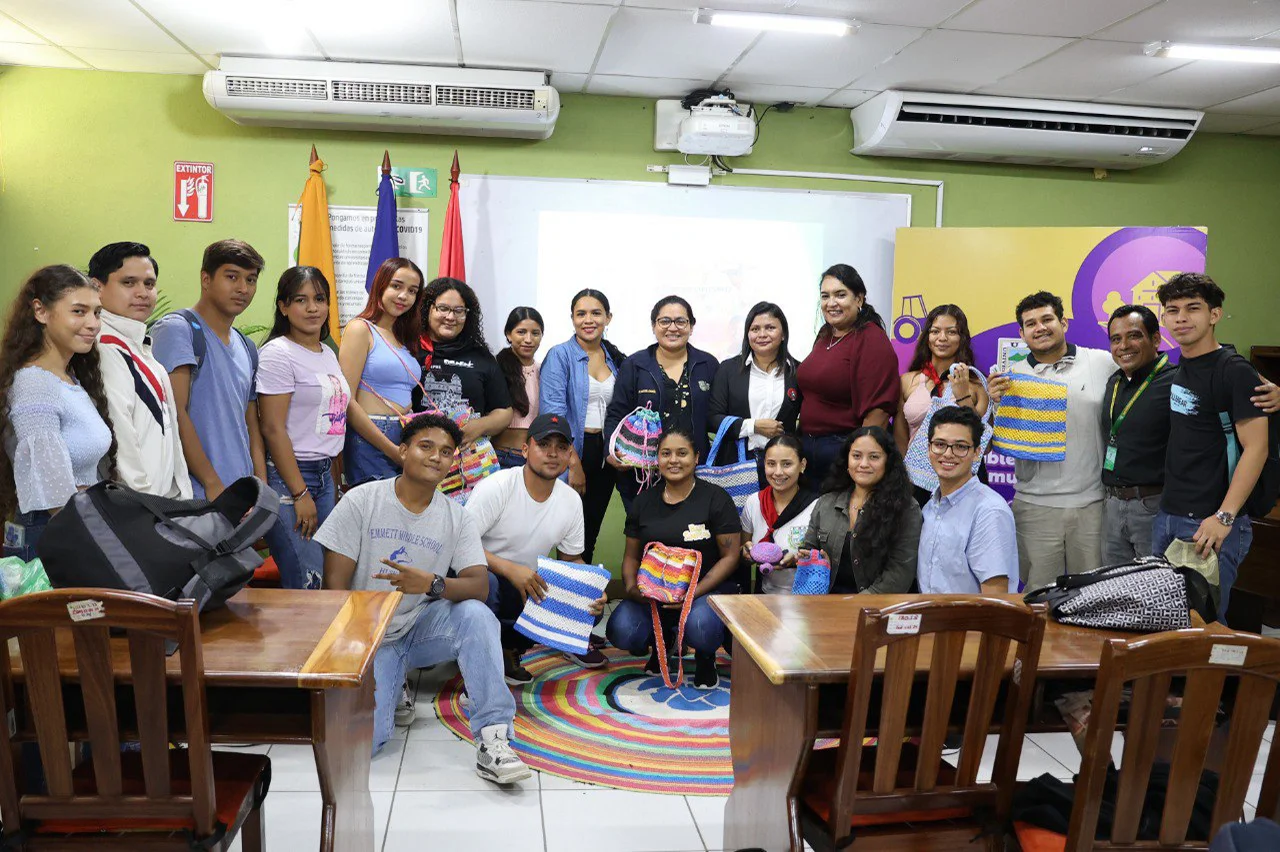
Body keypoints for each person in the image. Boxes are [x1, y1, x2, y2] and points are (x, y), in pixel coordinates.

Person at [314, 413, 531, 783]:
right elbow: (333, 589)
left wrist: (431, 583)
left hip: (418, 626)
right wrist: (354, 664)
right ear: (403, 450)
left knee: (477, 616)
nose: (436, 457)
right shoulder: (361, 501)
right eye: (425, 446)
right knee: (366, 743)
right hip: (366, 636)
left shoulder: (456, 517)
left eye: (446, 452)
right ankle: (392, 682)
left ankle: (495, 739)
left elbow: (478, 585)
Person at [1102, 303, 1280, 564]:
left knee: (1160, 595)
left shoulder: (1178, 380)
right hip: (1113, 506)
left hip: (1155, 505)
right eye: (1116, 339)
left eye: (1134, 335)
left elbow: (1245, 392)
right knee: (1116, 590)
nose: (1124, 345)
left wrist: (1277, 395)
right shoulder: (1115, 381)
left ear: (1156, 339)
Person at [1152, 273, 1272, 621]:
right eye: (1172, 310)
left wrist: (1224, 516)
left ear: (1214, 315)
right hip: (1169, 516)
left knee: (1202, 631)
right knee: (1167, 625)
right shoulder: (1181, 367)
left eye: (1193, 308)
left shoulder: (1234, 371)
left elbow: (1256, 448)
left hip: (1210, 522)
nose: (1182, 318)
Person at [466, 413, 608, 683]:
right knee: (491, 586)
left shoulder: (570, 500)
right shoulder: (498, 487)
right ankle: (476, 658)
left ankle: (510, 649)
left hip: (526, 583)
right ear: (525, 449)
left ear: (570, 455)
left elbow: (571, 559)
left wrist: (591, 587)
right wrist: (510, 569)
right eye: (543, 444)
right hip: (480, 573)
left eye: (561, 447)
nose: (552, 454)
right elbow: (460, 545)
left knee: (586, 601)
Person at [987, 291, 1115, 590]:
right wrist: (994, 407)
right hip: (1034, 507)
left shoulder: (1101, 363)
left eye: (1047, 319)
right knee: (1039, 597)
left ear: (1064, 322)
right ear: (1021, 333)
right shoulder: (1008, 378)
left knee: (1093, 596)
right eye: (1030, 323)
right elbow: (993, 440)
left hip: (1092, 505)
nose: (1040, 328)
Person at [606, 427, 740, 688]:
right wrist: (633, 588)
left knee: (701, 627)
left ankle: (705, 656)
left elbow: (730, 556)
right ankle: (662, 644)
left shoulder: (716, 499)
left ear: (696, 457)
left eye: (682, 453)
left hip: (703, 594)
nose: (673, 460)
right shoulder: (643, 502)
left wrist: (693, 594)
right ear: (657, 459)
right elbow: (632, 557)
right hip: (653, 596)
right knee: (621, 630)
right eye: (666, 453)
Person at [0, 265, 116, 560]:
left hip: (76, 527)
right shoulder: (34, 384)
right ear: (40, 311)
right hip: (54, 534)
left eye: (97, 312)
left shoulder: (69, 380)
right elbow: (54, 494)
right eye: (79, 311)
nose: (93, 324)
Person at [256, 267, 353, 590]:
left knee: (324, 581)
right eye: (301, 300)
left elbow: (332, 421)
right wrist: (299, 492)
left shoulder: (326, 352)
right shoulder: (277, 354)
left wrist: (335, 483)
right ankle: (300, 644)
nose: (312, 308)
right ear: (283, 306)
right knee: (305, 582)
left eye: (319, 299)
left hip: (325, 477)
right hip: (292, 477)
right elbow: (272, 429)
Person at [152, 239, 267, 500]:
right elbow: (174, 412)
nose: (243, 288)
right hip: (197, 495)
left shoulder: (246, 346)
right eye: (231, 277)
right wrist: (212, 482)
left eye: (251, 280)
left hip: (239, 493)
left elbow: (250, 424)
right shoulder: (178, 330)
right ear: (206, 279)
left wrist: (259, 485)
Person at [88, 242, 191, 499]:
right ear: (96, 287)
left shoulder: (139, 347)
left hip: (161, 507)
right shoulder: (104, 347)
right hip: (139, 511)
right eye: (129, 283)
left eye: (149, 284)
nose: (143, 293)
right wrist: (143, 508)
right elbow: (120, 440)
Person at [604, 296, 719, 512]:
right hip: (644, 474)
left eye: (680, 321)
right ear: (654, 326)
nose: (672, 328)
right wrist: (609, 451)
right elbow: (616, 413)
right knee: (646, 536)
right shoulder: (635, 365)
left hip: (696, 471)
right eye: (665, 321)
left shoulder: (708, 364)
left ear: (691, 327)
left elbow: (717, 415)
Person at [539, 289, 628, 563]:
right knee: (563, 532)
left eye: (596, 313)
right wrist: (572, 461)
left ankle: (579, 595)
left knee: (590, 532)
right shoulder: (560, 355)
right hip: (572, 450)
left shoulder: (615, 358)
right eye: (581, 314)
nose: (588, 320)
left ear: (608, 317)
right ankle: (557, 597)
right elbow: (553, 414)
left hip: (605, 455)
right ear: (572, 319)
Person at [796, 264, 899, 489]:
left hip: (842, 453)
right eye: (825, 296)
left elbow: (878, 413)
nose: (831, 303)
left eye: (840, 295)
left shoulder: (871, 339)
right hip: (809, 451)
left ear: (859, 299)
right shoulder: (826, 335)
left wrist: (859, 460)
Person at [791, 426, 921, 594]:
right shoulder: (826, 503)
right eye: (856, 456)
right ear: (847, 461)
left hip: (876, 611)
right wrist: (808, 558)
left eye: (874, 457)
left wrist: (855, 605)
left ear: (888, 462)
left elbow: (899, 574)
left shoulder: (907, 509)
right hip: (824, 606)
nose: (863, 464)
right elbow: (809, 549)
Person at [338, 258, 424, 486]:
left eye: (412, 291)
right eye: (396, 286)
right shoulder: (360, 328)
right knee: (375, 516)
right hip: (372, 436)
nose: (404, 296)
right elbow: (347, 401)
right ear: (380, 286)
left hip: (404, 434)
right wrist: (392, 450)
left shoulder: (403, 339)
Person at [917, 406, 1017, 594]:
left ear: (977, 452)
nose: (948, 453)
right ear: (929, 448)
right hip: (929, 619)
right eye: (940, 444)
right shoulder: (930, 508)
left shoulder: (989, 511)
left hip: (970, 622)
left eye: (961, 446)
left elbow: (996, 598)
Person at [895, 304, 990, 503]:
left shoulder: (976, 385)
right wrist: (904, 476)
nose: (942, 338)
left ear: (962, 338)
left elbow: (985, 444)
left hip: (962, 481)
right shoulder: (908, 381)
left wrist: (963, 395)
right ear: (927, 337)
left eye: (951, 332)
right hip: (915, 480)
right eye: (935, 331)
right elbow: (900, 436)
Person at [708, 302, 802, 477]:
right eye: (755, 329)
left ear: (783, 334)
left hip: (782, 467)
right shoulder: (728, 369)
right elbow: (713, 418)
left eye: (770, 328)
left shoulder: (797, 372)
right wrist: (753, 426)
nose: (762, 334)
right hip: (737, 463)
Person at [416, 277, 513, 447]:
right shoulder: (409, 350)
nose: (450, 317)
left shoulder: (481, 357)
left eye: (459, 310)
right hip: (414, 456)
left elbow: (504, 411)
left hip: (468, 461)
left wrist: (481, 426)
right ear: (428, 309)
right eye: (443, 308)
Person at [740, 435, 818, 594]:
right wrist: (746, 552)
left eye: (787, 464)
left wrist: (798, 560)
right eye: (771, 464)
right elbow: (743, 546)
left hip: (808, 598)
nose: (778, 472)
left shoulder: (817, 505)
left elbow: (827, 557)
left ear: (802, 465)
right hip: (765, 595)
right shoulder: (754, 502)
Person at [494, 307, 545, 469]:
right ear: (509, 334)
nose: (528, 339)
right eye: (521, 332)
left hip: (533, 459)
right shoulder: (496, 367)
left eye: (535, 333)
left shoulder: (544, 371)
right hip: (501, 456)